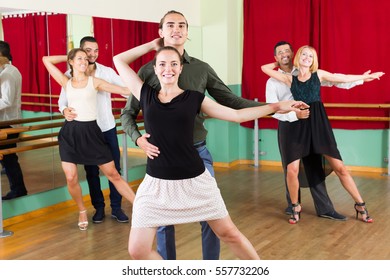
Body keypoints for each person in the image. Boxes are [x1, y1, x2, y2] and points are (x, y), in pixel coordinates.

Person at [113, 39, 307, 260]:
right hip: (156, 186)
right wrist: (152, 45)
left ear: (181, 68)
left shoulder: (194, 98)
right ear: (155, 69)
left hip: (196, 181)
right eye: (163, 64)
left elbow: (236, 115)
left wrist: (277, 107)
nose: (169, 69)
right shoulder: (145, 94)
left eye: (174, 64)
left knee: (229, 233)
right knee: (137, 250)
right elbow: (118, 60)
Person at [120, 10, 263, 260]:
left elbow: (232, 102)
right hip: (162, 157)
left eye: (182, 25)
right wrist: (138, 138)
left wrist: (275, 110)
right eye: (170, 25)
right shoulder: (147, 71)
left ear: (187, 32)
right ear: (161, 32)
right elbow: (128, 114)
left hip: (198, 152)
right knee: (162, 224)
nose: (177, 29)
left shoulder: (201, 69)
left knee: (212, 220)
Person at [261, 45, 384, 224]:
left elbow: (340, 79)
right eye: (304, 54)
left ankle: (359, 205)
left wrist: (365, 78)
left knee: (337, 167)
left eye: (310, 56)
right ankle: (294, 207)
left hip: (317, 123)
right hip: (293, 125)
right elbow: (265, 74)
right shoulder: (286, 79)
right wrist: (281, 60)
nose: (307, 57)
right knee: (292, 169)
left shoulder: (318, 74)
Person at [42, 48, 135, 230]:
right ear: (71, 61)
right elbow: (46, 59)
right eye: (80, 59)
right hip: (70, 134)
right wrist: (69, 55)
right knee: (71, 177)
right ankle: (82, 210)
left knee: (113, 174)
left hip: (92, 133)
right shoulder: (66, 82)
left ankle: (140, 207)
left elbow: (124, 90)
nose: (85, 61)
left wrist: (145, 88)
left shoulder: (95, 82)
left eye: (86, 59)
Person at [58, 36, 128, 224]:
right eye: (89, 50)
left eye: (96, 50)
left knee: (114, 171)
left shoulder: (106, 72)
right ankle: (99, 208)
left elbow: (123, 90)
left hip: (106, 128)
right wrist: (64, 110)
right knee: (91, 172)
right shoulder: (69, 75)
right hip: (84, 131)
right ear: (79, 53)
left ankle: (116, 208)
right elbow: (62, 101)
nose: (93, 54)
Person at [0, 41, 28, 200]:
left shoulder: (8, 73)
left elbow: (6, 101)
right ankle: (18, 188)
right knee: (9, 160)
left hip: (7, 122)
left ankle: (18, 189)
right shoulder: (8, 71)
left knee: (10, 160)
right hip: (7, 121)